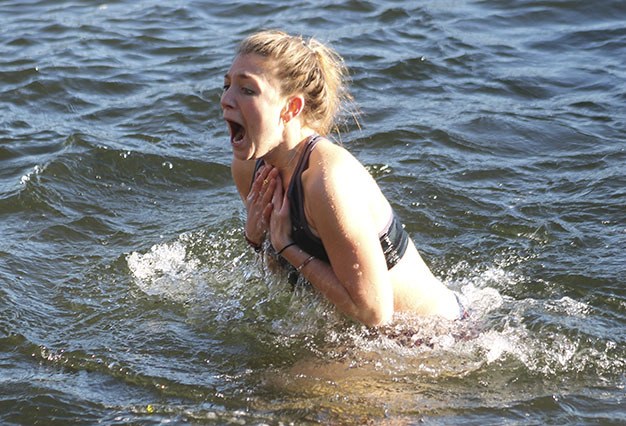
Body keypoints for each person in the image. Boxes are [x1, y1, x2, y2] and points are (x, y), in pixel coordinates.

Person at [221, 29, 465, 327]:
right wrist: (257, 240)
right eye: (227, 85)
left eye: (248, 90)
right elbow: (283, 280)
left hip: (434, 335)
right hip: (366, 336)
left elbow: (375, 313)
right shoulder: (249, 168)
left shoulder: (327, 179)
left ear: (291, 108)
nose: (226, 100)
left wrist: (287, 247)